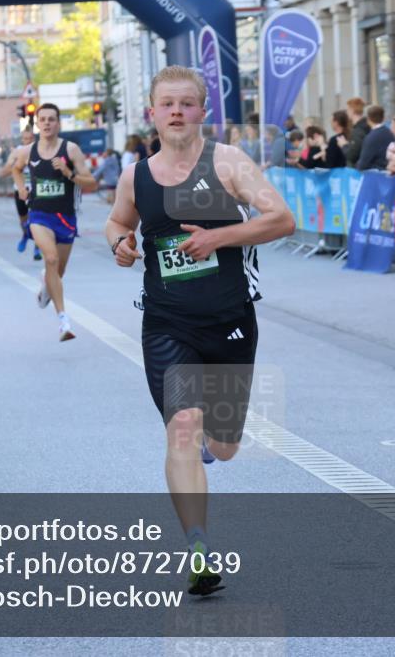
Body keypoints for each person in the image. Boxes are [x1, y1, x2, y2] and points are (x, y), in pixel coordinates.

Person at [104, 65, 295, 597]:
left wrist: (220, 237)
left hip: (230, 321)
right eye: (167, 103)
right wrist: (119, 244)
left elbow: (282, 219)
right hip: (167, 324)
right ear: (152, 110)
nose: (176, 112)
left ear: (202, 111)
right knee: (182, 429)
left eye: (187, 103)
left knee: (226, 446)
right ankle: (198, 551)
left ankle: (219, 442)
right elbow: (119, 221)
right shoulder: (135, 175)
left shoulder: (229, 162)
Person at [28, 102, 96, 341]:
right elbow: (13, 168)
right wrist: (19, 188)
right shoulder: (28, 150)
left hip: (65, 218)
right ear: (37, 123)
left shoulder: (71, 150)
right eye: (42, 119)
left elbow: (91, 183)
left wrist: (69, 174)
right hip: (38, 216)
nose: (46, 123)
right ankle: (63, 322)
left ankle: (47, 285)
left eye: (51, 119)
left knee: (58, 271)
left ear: (58, 123)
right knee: (51, 258)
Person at [0, 125, 42, 259]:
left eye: (30, 138)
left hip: (36, 190)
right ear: (22, 139)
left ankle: (37, 248)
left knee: (37, 220)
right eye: (25, 138)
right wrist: (16, 166)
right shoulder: (17, 152)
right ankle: (25, 235)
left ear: (34, 138)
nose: (27, 141)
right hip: (20, 190)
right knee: (24, 220)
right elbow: (7, 169)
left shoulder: (40, 150)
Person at [356, 105, 392, 171]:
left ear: (368, 119)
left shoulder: (370, 137)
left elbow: (363, 163)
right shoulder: (391, 133)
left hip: (377, 175)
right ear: (383, 117)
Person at [344, 97, 370, 167]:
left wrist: (344, 145)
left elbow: (352, 155)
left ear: (352, 110)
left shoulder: (358, 130)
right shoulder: (367, 126)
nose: (346, 112)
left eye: (347, 110)